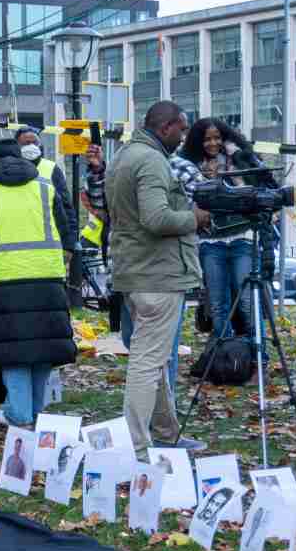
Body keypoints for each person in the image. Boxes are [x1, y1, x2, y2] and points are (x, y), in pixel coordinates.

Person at [105, 101, 211, 455]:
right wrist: (195, 218)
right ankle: (135, 444)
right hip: (157, 276)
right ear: (165, 126)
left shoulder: (124, 155)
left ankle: (166, 432)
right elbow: (156, 218)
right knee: (148, 361)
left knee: (155, 357)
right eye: (181, 129)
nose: (183, 138)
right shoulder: (151, 160)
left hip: (136, 272)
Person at [0, 139, 76, 428]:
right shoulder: (45, 187)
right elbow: (64, 229)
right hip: (47, 277)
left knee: (12, 350)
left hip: (1, 279)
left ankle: (18, 413)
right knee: (42, 348)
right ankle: (35, 412)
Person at [181, 117, 275, 341]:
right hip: (211, 242)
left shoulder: (240, 160)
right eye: (207, 139)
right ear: (197, 142)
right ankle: (224, 356)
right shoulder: (190, 167)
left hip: (243, 238)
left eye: (217, 138)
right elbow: (190, 206)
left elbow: (264, 190)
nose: (213, 143)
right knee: (218, 305)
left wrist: (233, 174)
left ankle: (257, 361)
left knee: (247, 302)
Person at [15, 126, 76, 256]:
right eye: (26, 143)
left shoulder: (51, 168)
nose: (31, 146)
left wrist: (70, 243)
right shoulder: (8, 168)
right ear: (17, 146)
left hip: (49, 245)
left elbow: (67, 207)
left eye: (34, 143)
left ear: (40, 145)